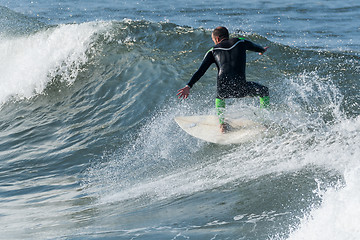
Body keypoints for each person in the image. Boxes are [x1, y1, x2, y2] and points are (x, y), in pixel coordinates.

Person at [177, 26, 270, 133]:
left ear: (217, 39)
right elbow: (255, 46)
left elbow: (200, 71)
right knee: (264, 91)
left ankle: (222, 125)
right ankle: (265, 122)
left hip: (223, 90)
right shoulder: (240, 42)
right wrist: (262, 50)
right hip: (241, 87)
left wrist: (188, 86)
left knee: (219, 97)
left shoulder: (212, 51)